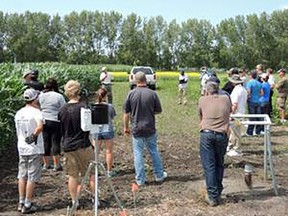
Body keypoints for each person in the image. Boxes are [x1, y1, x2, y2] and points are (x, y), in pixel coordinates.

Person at [123, 71, 167, 186]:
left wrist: (126, 127)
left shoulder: (131, 94)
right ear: (145, 80)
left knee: (138, 153)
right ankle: (159, 175)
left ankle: (140, 180)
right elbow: (158, 110)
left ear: (135, 81)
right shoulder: (152, 94)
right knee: (153, 151)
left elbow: (126, 113)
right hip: (150, 127)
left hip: (136, 128)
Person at [58, 80, 95, 208]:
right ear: (78, 91)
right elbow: (89, 128)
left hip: (68, 146)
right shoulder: (84, 107)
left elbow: (62, 130)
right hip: (84, 144)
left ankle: (75, 201)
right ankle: (95, 199)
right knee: (91, 173)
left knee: (73, 175)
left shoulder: (62, 110)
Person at [198, 81, 232, 206]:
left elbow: (200, 117)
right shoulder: (226, 99)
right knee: (219, 163)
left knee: (209, 165)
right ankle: (217, 190)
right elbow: (230, 112)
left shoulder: (202, 99)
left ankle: (212, 196)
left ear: (207, 90)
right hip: (222, 135)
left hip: (206, 134)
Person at [15, 88, 44, 214]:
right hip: (33, 148)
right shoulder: (36, 112)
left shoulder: (19, 113)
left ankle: (21, 201)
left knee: (22, 175)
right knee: (32, 176)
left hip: (21, 147)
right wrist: (33, 137)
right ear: (35, 99)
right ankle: (28, 204)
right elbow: (40, 126)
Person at [38, 78, 66, 171]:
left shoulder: (41, 95)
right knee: (55, 142)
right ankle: (56, 164)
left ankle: (46, 164)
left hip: (44, 120)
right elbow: (64, 108)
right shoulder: (59, 96)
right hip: (55, 121)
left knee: (46, 142)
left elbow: (39, 106)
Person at [91, 87, 116, 177]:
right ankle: (109, 171)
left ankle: (95, 171)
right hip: (108, 130)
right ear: (106, 96)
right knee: (109, 151)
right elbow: (113, 116)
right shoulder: (109, 106)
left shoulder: (92, 107)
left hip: (96, 131)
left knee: (95, 151)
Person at [226, 74, 247, 157]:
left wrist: (231, 114)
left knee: (236, 133)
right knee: (234, 132)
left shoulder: (236, 90)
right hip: (241, 113)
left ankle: (237, 149)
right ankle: (232, 146)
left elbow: (234, 104)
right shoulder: (243, 90)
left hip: (236, 114)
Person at [246, 70, 263, 136]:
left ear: (251, 76)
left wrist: (248, 98)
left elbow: (249, 92)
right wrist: (257, 96)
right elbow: (262, 93)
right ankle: (258, 131)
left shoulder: (249, 83)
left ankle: (250, 132)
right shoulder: (259, 83)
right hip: (258, 101)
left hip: (251, 101)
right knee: (258, 116)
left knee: (252, 117)